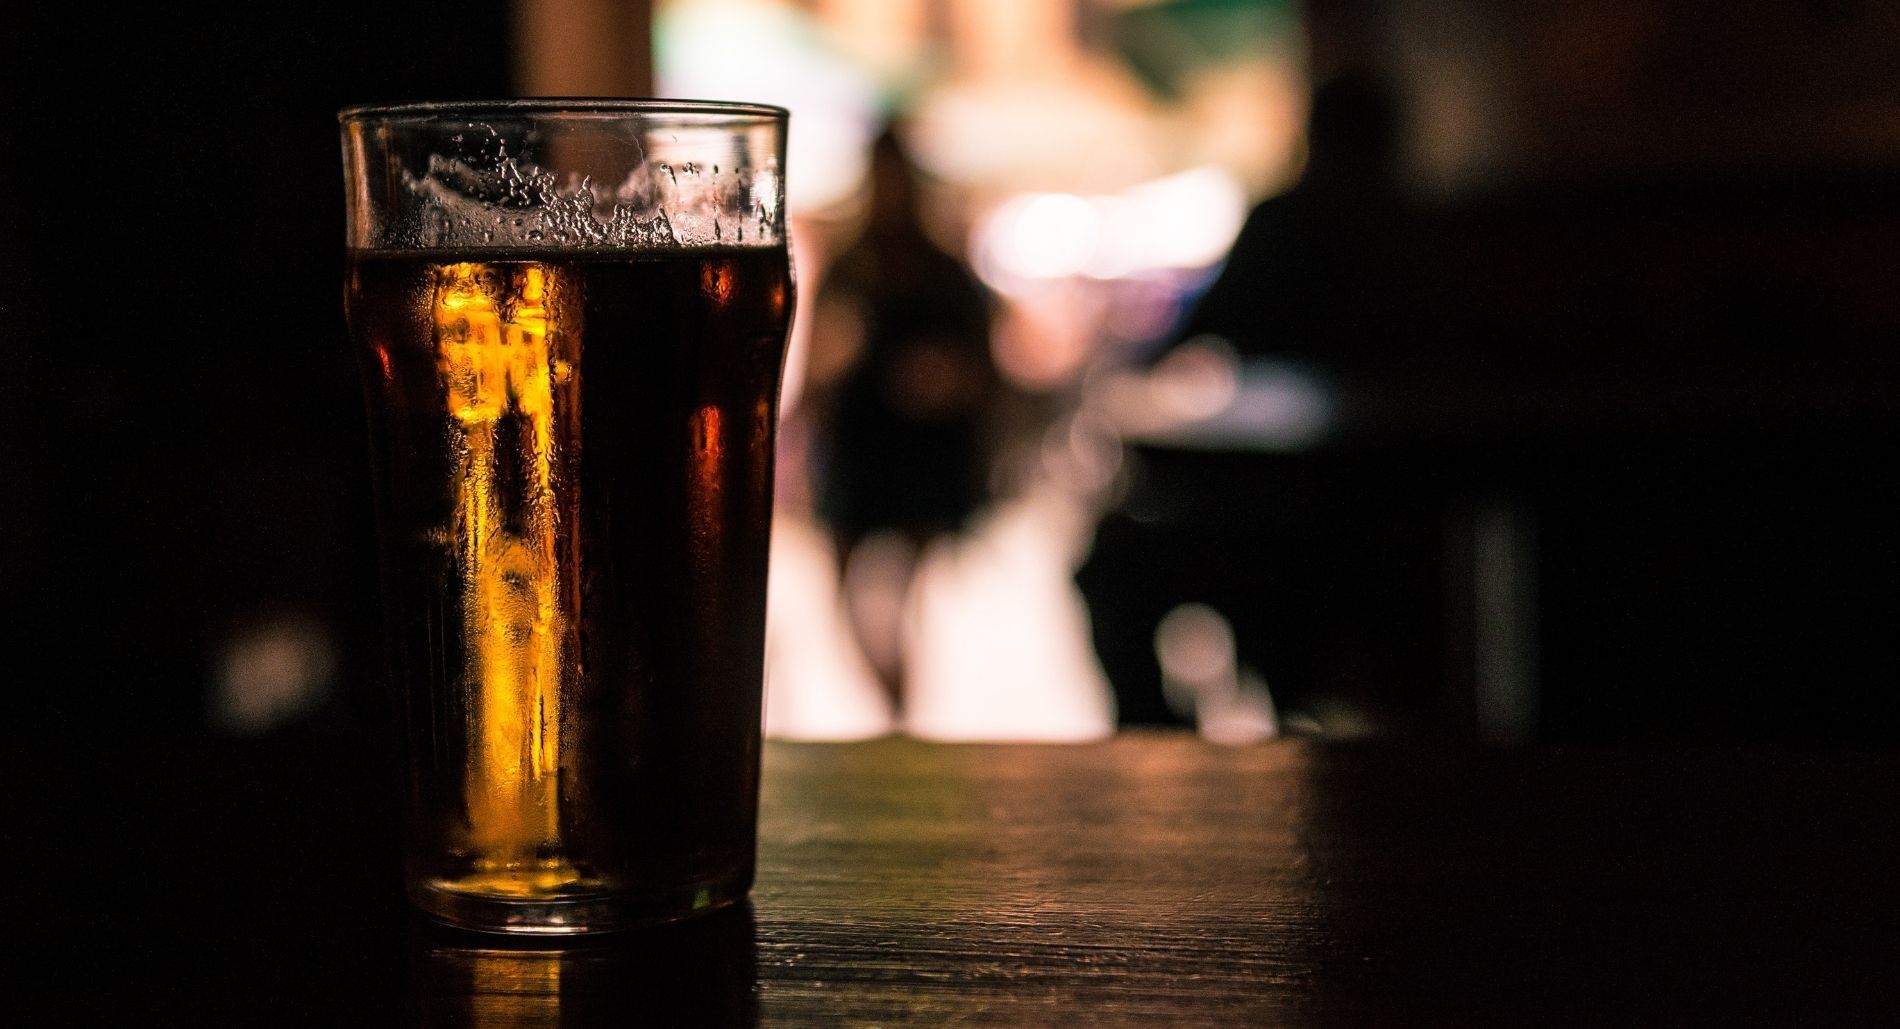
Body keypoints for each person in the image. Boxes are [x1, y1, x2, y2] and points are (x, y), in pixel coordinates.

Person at [802, 122, 1011, 713]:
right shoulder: (854, 267)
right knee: (850, 600)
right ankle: (898, 709)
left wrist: (944, 380)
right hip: (858, 451)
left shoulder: (940, 273)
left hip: (919, 456)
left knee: (896, 597)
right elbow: (819, 362)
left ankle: (902, 712)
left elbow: (986, 373)